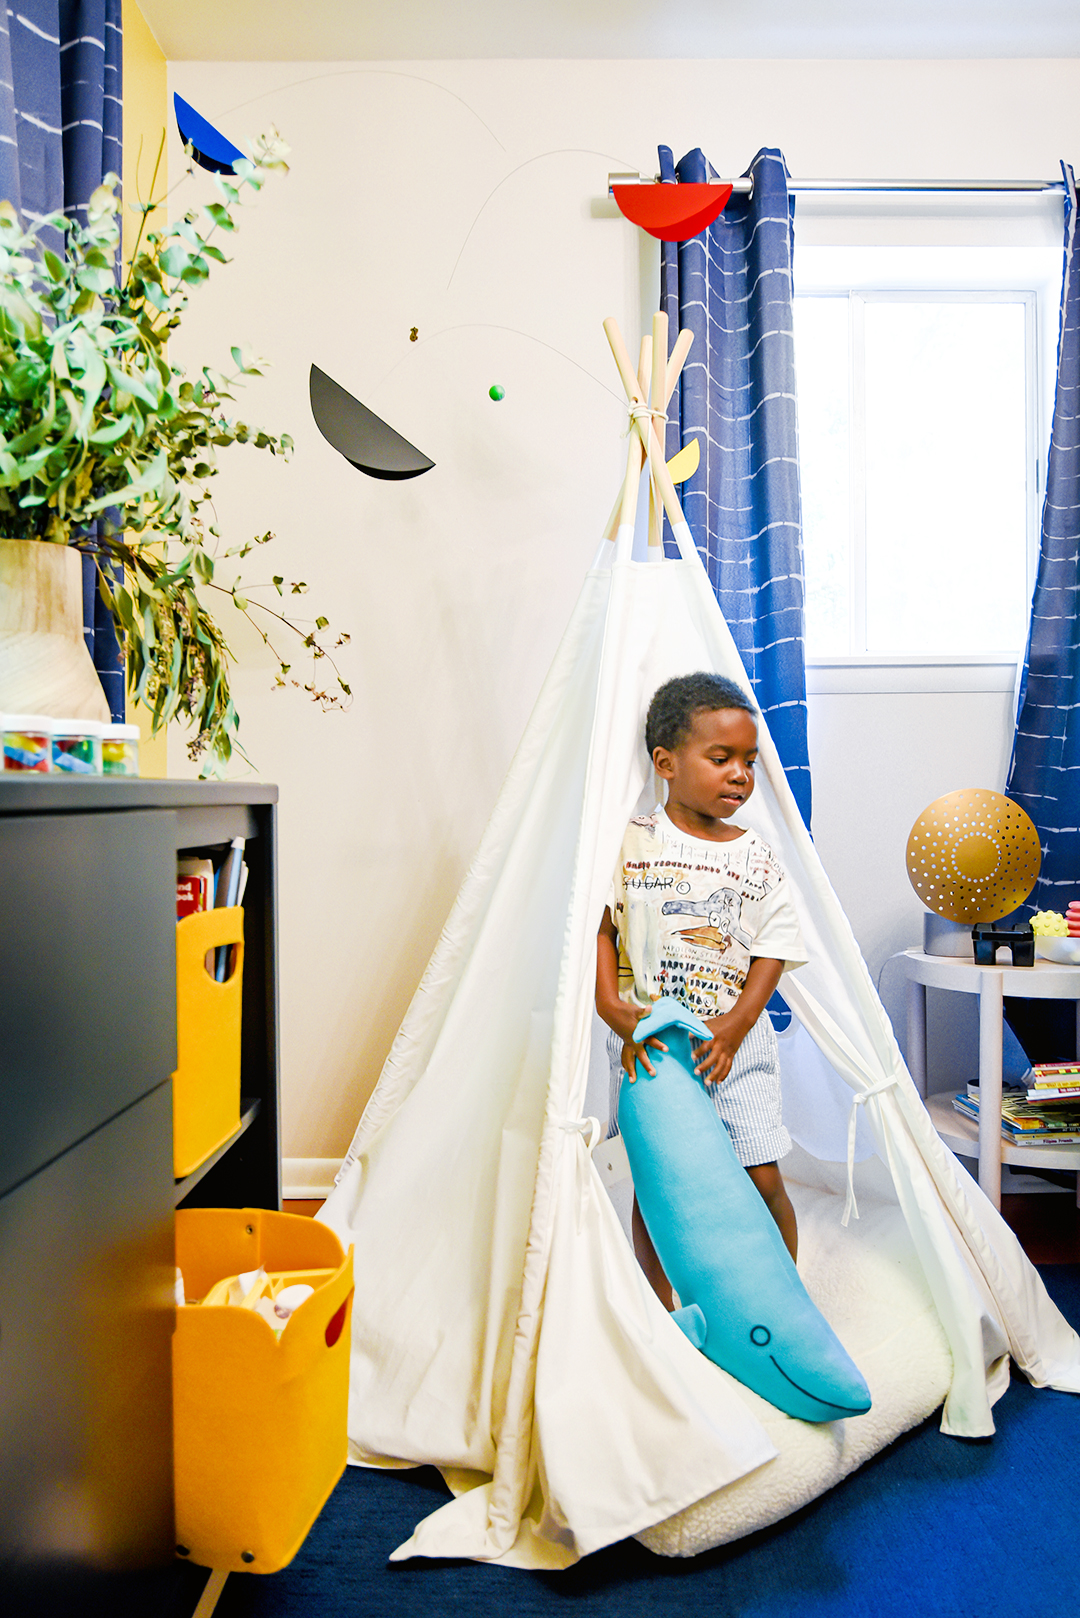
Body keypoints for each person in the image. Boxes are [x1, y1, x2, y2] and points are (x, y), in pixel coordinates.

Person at [595, 670, 807, 1308]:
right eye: (721, 758)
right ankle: (664, 1307)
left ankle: (781, 1300)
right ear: (666, 763)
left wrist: (739, 1025)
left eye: (748, 760)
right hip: (652, 1045)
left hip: (735, 1046)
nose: (741, 774)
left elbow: (774, 945)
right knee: (659, 1182)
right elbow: (602, 926)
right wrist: (612, 1007)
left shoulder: (756, 856)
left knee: (759, 1172)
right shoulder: (630, 843)